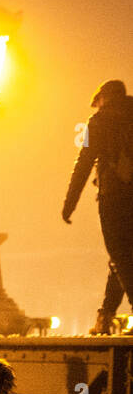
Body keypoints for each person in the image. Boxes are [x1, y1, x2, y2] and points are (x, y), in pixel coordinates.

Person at [63, 79, 133, 335]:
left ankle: (109, 316)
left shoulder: (101, 121)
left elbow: (84, 163)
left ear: (103, 98)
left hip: (113, 199)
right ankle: (106, 315)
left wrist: (69, 204)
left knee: (120, 253)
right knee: (123, 256)